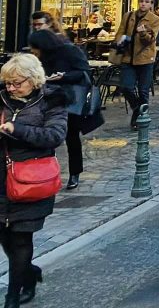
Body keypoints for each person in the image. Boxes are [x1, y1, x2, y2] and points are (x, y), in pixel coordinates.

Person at [0, 54, 68, 307]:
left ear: (33, 79)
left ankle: (13, 296)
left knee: (20, 238)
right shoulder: (1, 98)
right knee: (5, 238)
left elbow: (55, 136)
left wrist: (17, 130)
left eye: (17, 83)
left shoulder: (51, 100)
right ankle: (29, 272)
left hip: (31, 181)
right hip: (1, 180)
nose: (11, 88)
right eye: (8, 83)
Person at [28, 30, 90, 190]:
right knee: (46, 136)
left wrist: (63, 76)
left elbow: (83, 72)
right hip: (47, 100)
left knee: (71, 137)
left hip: (69, 100)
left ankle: (74, 173)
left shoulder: (69, 50)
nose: (34, 51)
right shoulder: (39, 57)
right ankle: (44, 172)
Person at [113, 0, 159, 127]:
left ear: (151, 4)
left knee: (143, 90)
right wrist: (119, 41)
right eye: (141, 1)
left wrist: (142, 33)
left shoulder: (154, 20)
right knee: (126, 87)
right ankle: (137, 107)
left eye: (147, 2)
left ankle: (139, 118)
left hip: (145, 58)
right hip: (127, 57)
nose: (143, 4)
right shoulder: (128, 16)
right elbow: (120, 31)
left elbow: (151, 40)